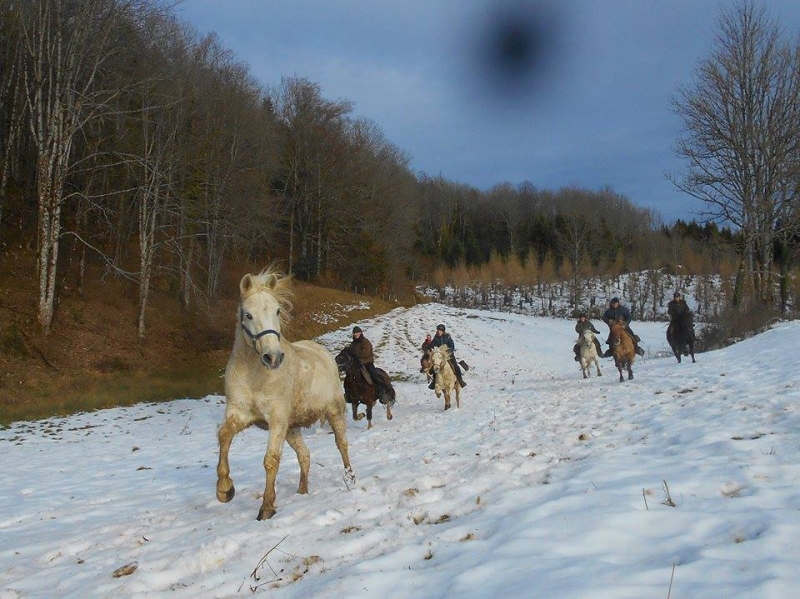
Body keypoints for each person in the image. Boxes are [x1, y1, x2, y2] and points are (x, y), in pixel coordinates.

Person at [347, 326, 392, 402]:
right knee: (349, 376)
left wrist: (355, 354)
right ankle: (349, 394)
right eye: (354, 333)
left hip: (367, 363)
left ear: (360, 333)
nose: (355, 334)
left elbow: (365, 353)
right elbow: (350, 352)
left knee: (373, 375)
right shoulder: (353, 343)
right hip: (357, 364)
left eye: (357, 332)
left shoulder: (365, 341)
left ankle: (383, 390)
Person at [429, 323, 467, 389]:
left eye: (440, 331)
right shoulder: (436, 338)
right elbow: (431, 345)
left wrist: (449, 350)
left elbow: (452, 345)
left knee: (455, 366)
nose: (439, 332)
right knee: (435, 367)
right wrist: (429, 348)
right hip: (440, 356)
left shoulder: (447, 337)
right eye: (438, 330)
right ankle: (434, 382)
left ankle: (460, 380)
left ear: (443, 331)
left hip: (448, 355)